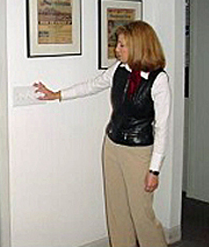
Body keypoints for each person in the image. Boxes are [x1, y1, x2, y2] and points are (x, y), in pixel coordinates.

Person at [34, 20, 171, 247]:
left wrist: (154, 170)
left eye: (122, 45)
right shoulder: (119, 69)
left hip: (138, 153)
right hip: (112, 146)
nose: (116, 50)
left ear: (138, 46)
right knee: (116, 212)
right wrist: (57, 94)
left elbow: (162, 127)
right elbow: (91, 85)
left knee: (142, 215)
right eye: (118, 44)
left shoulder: (159, 79)